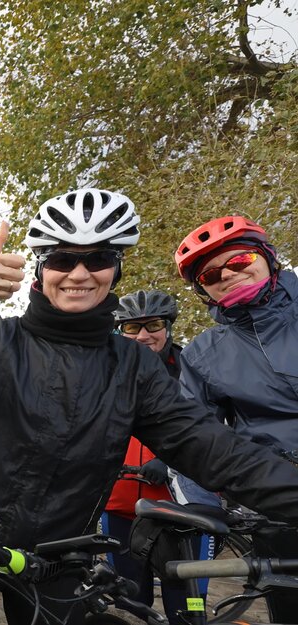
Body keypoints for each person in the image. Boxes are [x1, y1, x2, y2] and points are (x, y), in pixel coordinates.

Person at [0, 189, 298, 625]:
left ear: (116, 268)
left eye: (97, 260)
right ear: (41, 268)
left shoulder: (134, 367)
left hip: (59, 558)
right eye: (62, 260)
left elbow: (211, 448)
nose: (80, 273)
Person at [174, 215, 298, 622]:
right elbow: (194, 437)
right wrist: (202, 508)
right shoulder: (202, 354)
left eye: (240, 260)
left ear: (268, 257)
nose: (227, 274)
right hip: (278, 511)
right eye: (210, 274)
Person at [102, 289, 198, 625]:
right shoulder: (109, 373)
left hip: (182, 510)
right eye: (132, 327)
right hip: (120, 505)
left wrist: (171, 462)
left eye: (153, 324)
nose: (143, 335)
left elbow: (218, 428)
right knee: (129, 599)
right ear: (120, 331)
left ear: (168, 327)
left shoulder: (195, 372)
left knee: (185, 601)